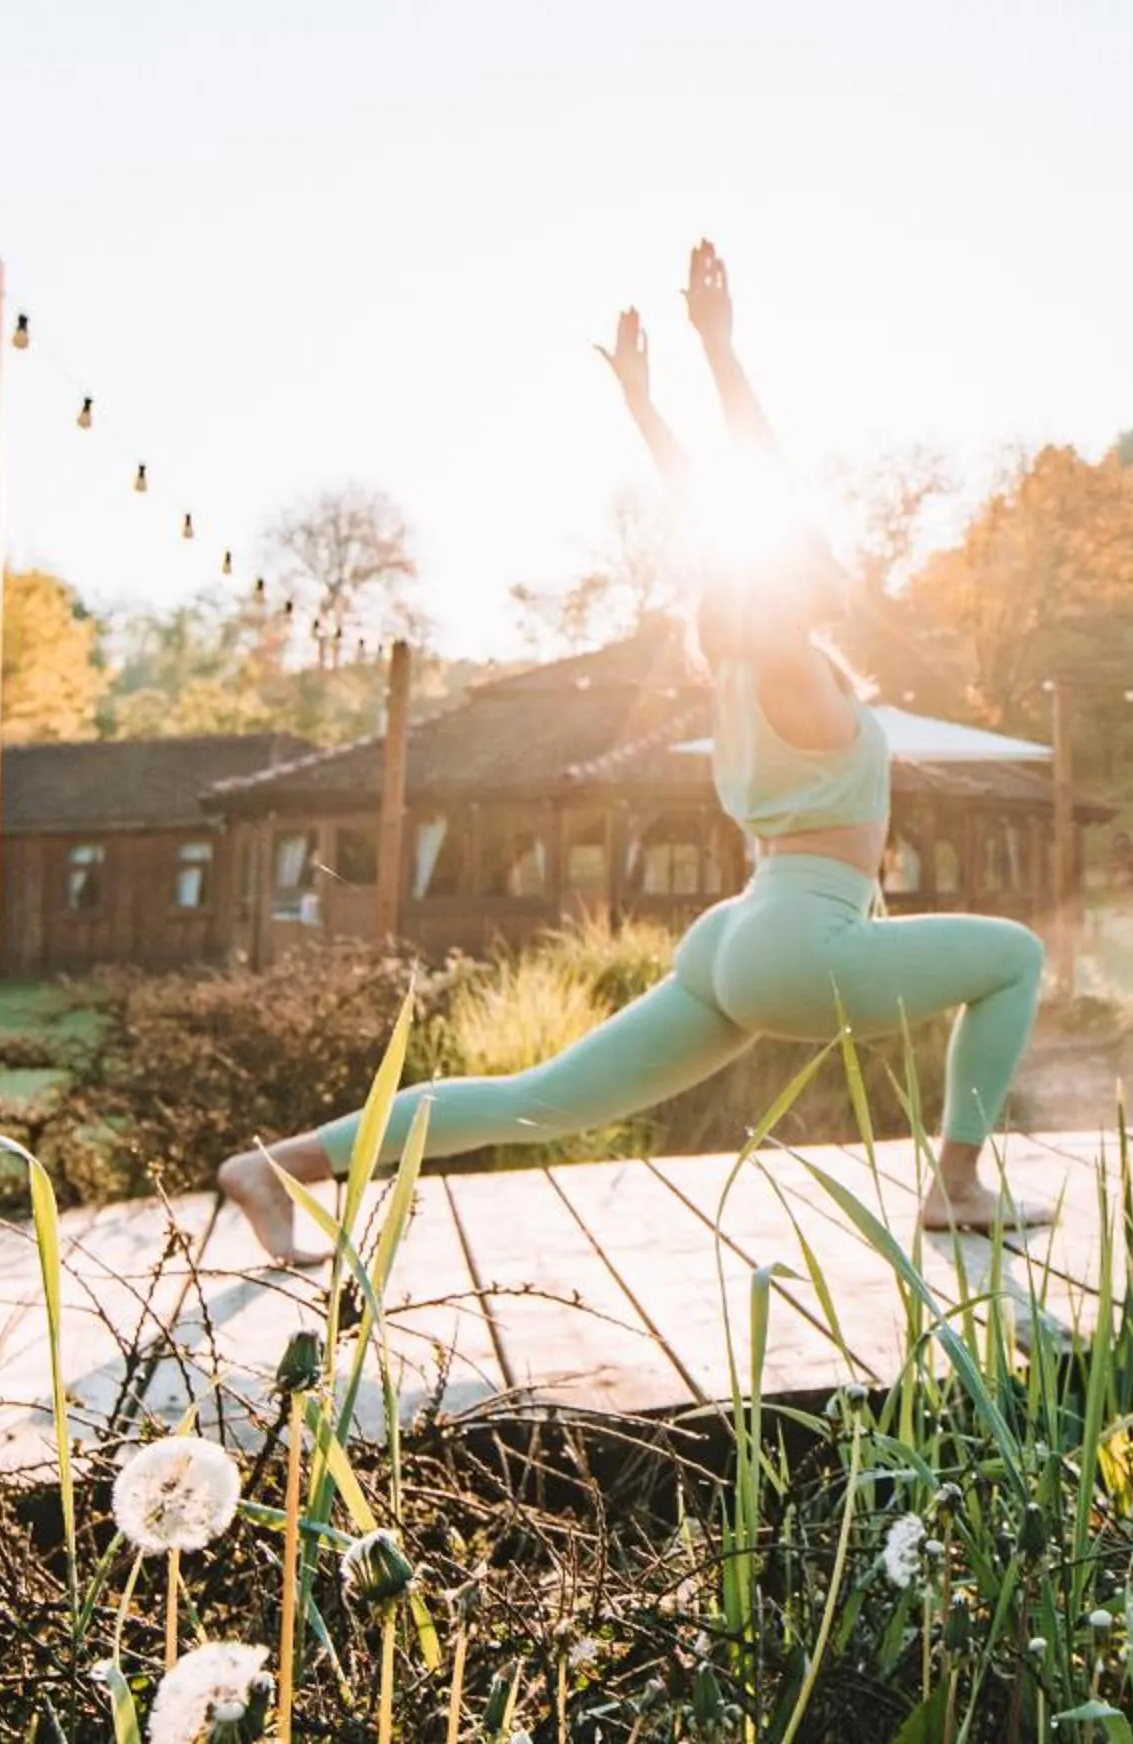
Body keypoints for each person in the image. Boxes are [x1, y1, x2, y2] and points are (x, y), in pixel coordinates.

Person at [215, 241, 1052, 1263]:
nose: (827, 553)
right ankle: (958, 1185)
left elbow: (729, 525)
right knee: (1014, 955)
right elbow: (756, 496)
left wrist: (649, 412)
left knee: (537, 1101)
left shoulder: (747, 677)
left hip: (739, 936)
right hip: (793, 942)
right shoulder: (788, 667)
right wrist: (719, 355)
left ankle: (277, 1166)